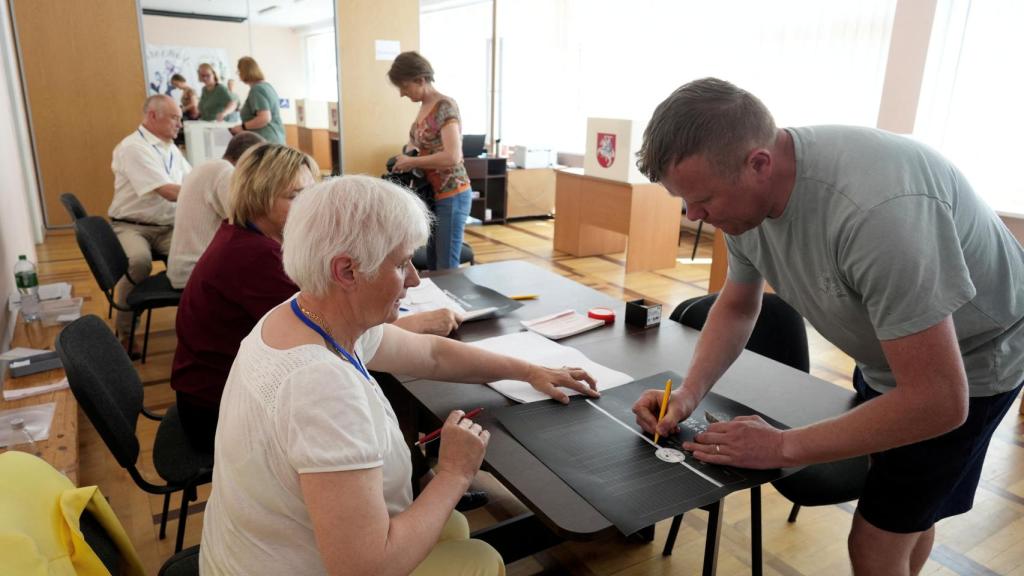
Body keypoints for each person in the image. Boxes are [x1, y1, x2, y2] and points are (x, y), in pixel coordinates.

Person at [630, 77, 1024, 575]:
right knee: (908, 510)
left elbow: (939, 400)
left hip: (975, 360)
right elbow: (736, 305)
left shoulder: (879, 213)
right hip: (890, 355)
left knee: (875, 543)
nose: (694, 216)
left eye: (703, 200)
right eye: (683, 201)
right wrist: (688, 393)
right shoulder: (745, 197)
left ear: (758, 163)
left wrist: (781, 445)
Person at [199, 174, 599, 574]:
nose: (414, 278)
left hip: (254, 549)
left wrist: (529, 370)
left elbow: (431, 354)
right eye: (401, 263)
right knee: (480, 559)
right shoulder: (320, 387)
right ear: (347, 271)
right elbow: (368, 568)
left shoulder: (305, 313)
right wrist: (454, 474)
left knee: (453, 524)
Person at [171, 145, 467, 453]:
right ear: (257, 198)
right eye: (295, 196)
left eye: (311, 195)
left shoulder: (245, 236)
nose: (310, 207)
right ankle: (412, 476)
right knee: (389, 391)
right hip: (214, 411)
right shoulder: (255, 257)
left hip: (206, 394)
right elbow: (332, 332)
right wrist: (421, 322)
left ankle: (411, 474)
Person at [108, 94, 190, 347]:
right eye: (175, 117)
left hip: (168, 227)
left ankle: (194, 327)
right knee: (139, 262)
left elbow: (192, 179)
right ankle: (124, 334)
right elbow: (167, 191)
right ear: (153, 116)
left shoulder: (171, 148)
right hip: (132, 226)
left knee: (200, 261)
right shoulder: (134, 148)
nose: (180, 124)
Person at [388, 51, 473, 270]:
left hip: (452, 194)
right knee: (434, 262)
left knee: (446, 265)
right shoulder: (424, 108)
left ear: (420, 79)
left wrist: (411, 162)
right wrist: (407, 154)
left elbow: (453, 156)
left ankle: (451, 303)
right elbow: (419, 144)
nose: (402, 93)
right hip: (434, 195)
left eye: (404, 86)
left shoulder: (445, 107)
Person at [166, 131, 264, 289]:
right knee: (267, 277)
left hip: (186, 268)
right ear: (247, 159)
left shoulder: (208, 166)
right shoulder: (226, 172)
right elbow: (246, 221)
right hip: (195, 272)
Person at [229, 56, 285, 145]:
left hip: (266, 140)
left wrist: (242, 127)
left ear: (244, 72)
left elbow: (264, 118)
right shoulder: (267, 87)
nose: (239, 75)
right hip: (275, 138)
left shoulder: (257, 90)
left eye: (239, 72)